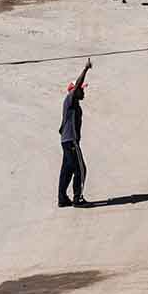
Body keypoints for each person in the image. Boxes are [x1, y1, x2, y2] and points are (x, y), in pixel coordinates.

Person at [58, 59, 93, 208]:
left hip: (66, 141)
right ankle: (77, 198)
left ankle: (62, 198)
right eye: (81, 89)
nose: (83, 91)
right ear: (74, 90)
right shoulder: (70, 99)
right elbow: (77, 84)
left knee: (67, 169)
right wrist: (85, 70)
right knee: (80, 168)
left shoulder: (72, 104)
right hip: (71, 141)